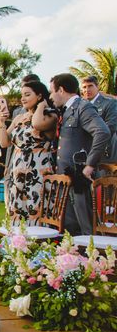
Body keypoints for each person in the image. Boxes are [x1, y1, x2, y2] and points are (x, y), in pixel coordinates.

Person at [50, 73, 110, 235]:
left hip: (79, 178)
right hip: (67, 178)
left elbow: (102, 132)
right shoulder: (68, 110)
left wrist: (89, 165)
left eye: (52, 91)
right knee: (71, 227)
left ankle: (94, 259)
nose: (51, 96)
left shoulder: (82, 107)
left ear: (61, 90)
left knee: (86, 228)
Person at [0, 81, 57, 225]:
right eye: (22, 95)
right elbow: (4, 143)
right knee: (18, 207)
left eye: (27, 94)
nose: (23, 98)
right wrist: (2, 121)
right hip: (18, 170)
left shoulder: (50, 115)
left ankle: (40, 243)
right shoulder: (19, 118)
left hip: (38, 169)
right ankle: (19, 243)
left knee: (36, 206)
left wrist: (43, 104)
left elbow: (36, 124)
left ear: (39, 95)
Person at [81, 75, 117, 166]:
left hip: (104, 152)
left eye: (90, 86)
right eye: (84, 87)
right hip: (85, 153)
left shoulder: (109, 103)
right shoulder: (80, 106)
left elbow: (111, 127)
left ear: (97, 87)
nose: (87, 90)